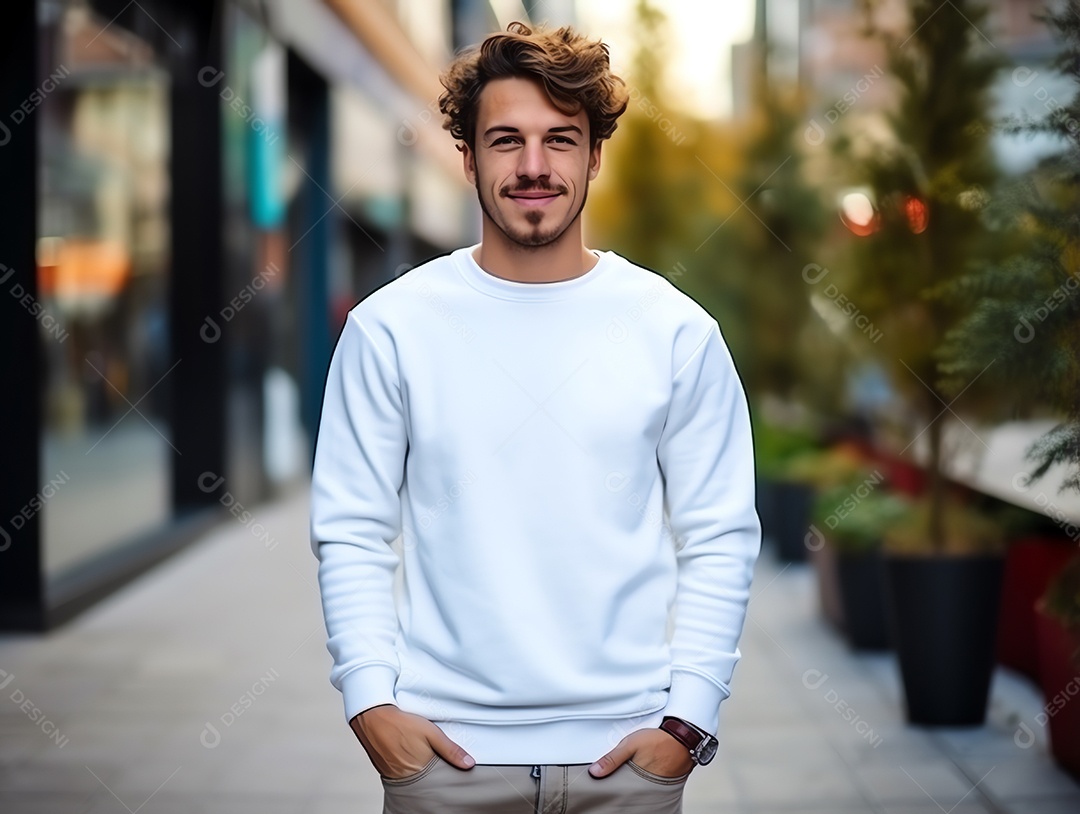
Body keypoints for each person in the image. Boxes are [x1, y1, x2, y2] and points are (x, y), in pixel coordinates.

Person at [309, 20, 761, 814]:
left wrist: (689, 721)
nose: (532, 166)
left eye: (560, 139)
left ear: (594, 156)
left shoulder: (675, 332)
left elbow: (720, 532)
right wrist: (371, 703)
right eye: (505, 140)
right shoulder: (392, 329)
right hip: (445, 763)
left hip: (626, 766)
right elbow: (351, 526)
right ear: (467, 157)